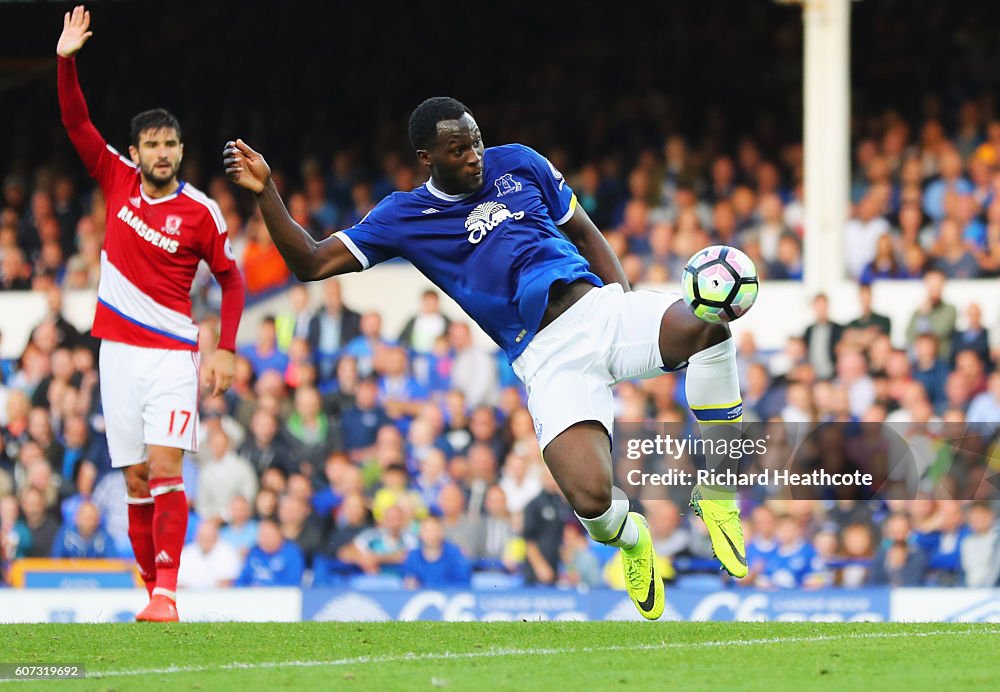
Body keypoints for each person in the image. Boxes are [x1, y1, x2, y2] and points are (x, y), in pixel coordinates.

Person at [224, 96, 749, 620]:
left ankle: (720, 490)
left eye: (475, 140)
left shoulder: (519, 161)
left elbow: (585, 233)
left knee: (711, 329)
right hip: (544, 357)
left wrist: (624, 304)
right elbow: (312, 262)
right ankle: (633, 540)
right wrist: (267, 191)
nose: (474, 155)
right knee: (593, 505)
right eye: (458, 149)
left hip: (598, 310)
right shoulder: (404, 216)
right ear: (427, 157)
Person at [58, 6, 243, 622]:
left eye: (171, 145)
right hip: (117, 354)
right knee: (135, 478)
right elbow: (76, 121)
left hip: (170, 354)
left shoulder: (200, 211)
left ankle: (167, 591)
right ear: (135, 151)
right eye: (153, 145)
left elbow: (231, 279)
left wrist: (226, 348)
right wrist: (66, 61)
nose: (163, 154)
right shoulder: (114, 179)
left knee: (165, 468)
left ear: (181, 150)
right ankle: (150, 589)